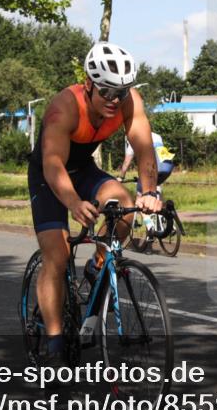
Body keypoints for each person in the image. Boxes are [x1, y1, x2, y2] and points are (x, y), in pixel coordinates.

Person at [27, 42, 163, 362]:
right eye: (106, 91)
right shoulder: (64, 107)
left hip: (84, 169)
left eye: (122, 91)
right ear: (88, 84)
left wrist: (150, 192)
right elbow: (52, 164)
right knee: (57, 256)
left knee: (124, 203)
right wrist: (73, 202)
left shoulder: (129, 103)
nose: (115, 100)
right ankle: (55, 341)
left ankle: (96, 266)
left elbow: (144, 148)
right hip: (50, 174)